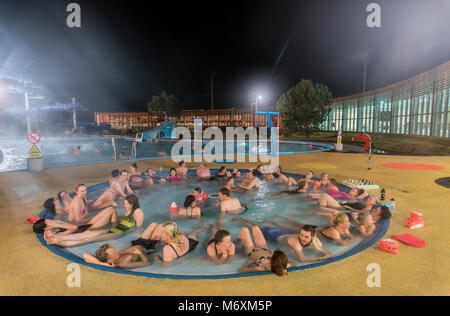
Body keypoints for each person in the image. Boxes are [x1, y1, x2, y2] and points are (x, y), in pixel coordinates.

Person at [43, 195, 145, 246]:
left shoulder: (138, 212)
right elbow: (127, 220)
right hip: (115, 228)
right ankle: (57, 238)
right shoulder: (130, 210)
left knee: (89, 239)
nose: (124, 205)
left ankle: (58, 241)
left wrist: (140, 236)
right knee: (88, 233)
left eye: (126, 203)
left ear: (132, 204)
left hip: (118, 232)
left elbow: (139, 227)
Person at [234, 217, 332, 263]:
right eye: (301, 235)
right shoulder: (296, 242)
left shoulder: (316, 241)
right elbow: (301, 259)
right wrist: (320, 259)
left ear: (313, 237)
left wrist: (322, 252)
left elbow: (325, 252)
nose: (302, 238)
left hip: (284, 234)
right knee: (256, 228)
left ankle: (243, 220)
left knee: (258, 227)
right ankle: (242, 220)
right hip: (273, 234)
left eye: (306, 237)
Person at [264, 213, 355, 247]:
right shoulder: (334, 232)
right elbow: (343, 244)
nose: (349, 223)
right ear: (340, 224)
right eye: (347, 221)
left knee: (296, 224)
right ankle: (271, 221)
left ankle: (281, 217)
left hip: (315, 228)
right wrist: (351, 238)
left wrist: (349, 237)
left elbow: (347, 239)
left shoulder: (344, 229)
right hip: (311, 231)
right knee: (287, 228)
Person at [34, 206, 119, 236]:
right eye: (48, 221)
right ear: (46, 228)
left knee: (110, 209)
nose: (50, 220)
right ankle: (117, 228)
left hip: (86, 225)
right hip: (89, 229)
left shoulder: (55, 228)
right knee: (111, 211)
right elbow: (74, 228)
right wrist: (58, 224)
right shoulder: (59, 234)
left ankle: (115, 224)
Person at [83, 244, 151, 269]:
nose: (117, 251)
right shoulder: (123, 263)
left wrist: (102, 263)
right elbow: (146, 263)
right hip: (149, 248)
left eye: (115, 249)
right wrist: (141, 253)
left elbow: (85, 255)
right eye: (114, 253)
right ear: (110, 260)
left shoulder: (116, 256)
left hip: (139, 243)